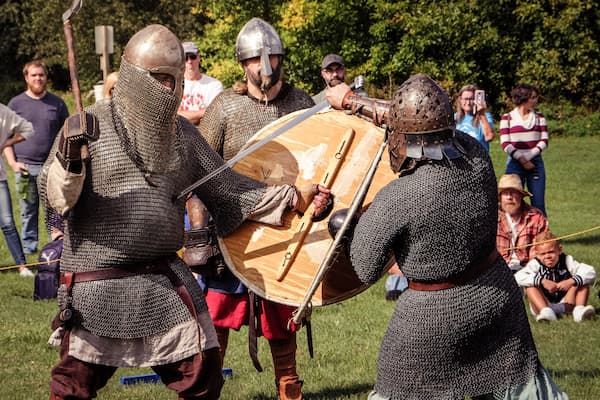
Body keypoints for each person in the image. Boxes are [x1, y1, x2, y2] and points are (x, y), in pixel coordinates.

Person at [38, 24, 329, 400]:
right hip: (99, 279)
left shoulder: (182, 136)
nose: (169, 90)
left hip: (162, 277)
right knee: (72, 385)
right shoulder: (87, 128)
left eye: (175, 80)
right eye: (160, 79)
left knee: (204, 374)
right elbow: (57, 198)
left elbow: (231, 191)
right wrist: (70, 161)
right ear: (134, 77)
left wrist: (294, 197)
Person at [326, 74, 567, 399]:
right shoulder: (475, 158)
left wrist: (347, 229)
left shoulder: (398, 197)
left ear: (402, 135)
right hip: (495, 297)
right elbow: (422, 125)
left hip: (429, 320)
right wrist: (354, 103)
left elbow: (366, 267)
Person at [196, 18, 315, 400]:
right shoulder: (226, 108)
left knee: (282, 312)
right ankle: (206, 389)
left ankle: (288, 385)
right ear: (241, 63)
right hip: (232, 223)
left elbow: (321, 158)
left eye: (274, 56)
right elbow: (199, 168)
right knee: (217, 313)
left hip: (287, 223)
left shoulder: (301, 104)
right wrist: (198, 231)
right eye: (255, 60)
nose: (265, 66)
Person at [5, 60, 69, 254]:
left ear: (46, 77)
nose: (38, 78)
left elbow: (66, 134)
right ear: (26, 78)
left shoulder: (57, 103)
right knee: (28, 210)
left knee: (56, 207)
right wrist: (13, 163)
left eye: (41, 75)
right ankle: (30, 248)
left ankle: (58, 245)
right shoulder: (16, 104)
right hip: (25, 168)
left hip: (52, 167)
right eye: (34, 75)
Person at [515, 231, 596, 322]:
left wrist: (571, 281)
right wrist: (542, 281)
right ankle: (546, 314)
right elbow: (517, 277)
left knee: (582, 280)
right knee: (530, 287)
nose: (547, 256)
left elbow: (590, 271)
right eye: (543, 254)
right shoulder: (535, 264)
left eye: (551, 252)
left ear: (559, 250)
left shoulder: (567, 260)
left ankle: (579, 311)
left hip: (567, 303)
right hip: (544, 304)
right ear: (537, 254)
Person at [500, 84, 548, 215]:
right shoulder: (507, 118)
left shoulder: (539, 117)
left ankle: (542, 235)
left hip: (535, 164)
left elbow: (544, 141)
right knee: (511, 202)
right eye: (532, 97)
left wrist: (529, 157)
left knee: (538, 204)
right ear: (523, 98)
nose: (535, 100)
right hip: (515, 163)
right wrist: (522, 159)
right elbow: (505, 143)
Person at [0, 103, 34, 277]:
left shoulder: (3, 112)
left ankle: (22, 267)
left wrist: (7, 142)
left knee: (7, 223)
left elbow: (28, 129)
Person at [496, 173, 548, 273]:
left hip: (528, 270)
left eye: (513, 193)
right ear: (500, 197)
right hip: (498, 271)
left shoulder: (536, 217)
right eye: (505, 193)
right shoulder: (491, 216)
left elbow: (541, 250)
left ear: (521, 196)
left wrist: (528, 271)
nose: (509, 197)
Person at [178, 41, 224, 126]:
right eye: (185, 58)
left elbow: (216, 115)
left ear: (199, 57)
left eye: (193, 57)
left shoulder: (214, 85)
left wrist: (184, 115)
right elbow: (175, 116)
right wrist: (204, 112)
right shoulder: (175, 84)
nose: (189, 61)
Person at [454, 84, 495, 152]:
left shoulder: (485, 116)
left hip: (480, 159)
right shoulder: (454, 117)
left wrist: (481, 114)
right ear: (460, 100)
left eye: (471, 99)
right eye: (465, 99)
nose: (468, 102)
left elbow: (489, 137)